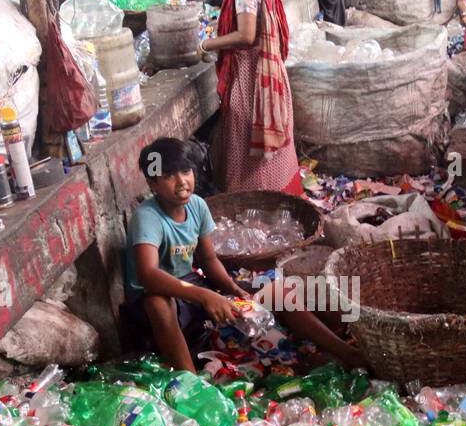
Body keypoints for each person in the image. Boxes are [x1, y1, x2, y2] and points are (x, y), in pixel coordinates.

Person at [123, 138, 367, 373]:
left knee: (277, 291)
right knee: (158, 304)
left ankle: (346, 353)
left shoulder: (197, 206)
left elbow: (208, 261)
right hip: (154, 300)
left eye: (186, 171)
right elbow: (148, 276)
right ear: (152, 184)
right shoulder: (148, 217)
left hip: (191, 288)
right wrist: (205, 296)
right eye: (168, 176)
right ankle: (192, 383)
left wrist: (234, 289)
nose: (181, 182)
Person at [201, 0, 301, 194]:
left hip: (250, 76)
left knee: (245, 145)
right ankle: (281, 196)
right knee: (273, 145)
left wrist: (208, 44)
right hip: (271, 73)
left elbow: (246, 36)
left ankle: (254, 202)